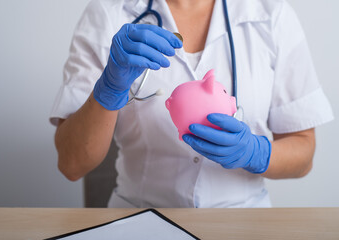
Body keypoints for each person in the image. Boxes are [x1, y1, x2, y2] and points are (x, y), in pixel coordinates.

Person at [50, 0, 333, 208]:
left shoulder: (271, 15)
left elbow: (304, 155)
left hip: (244, 222)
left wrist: (255, 153)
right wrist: (108, 89)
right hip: (139, 220)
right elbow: (72, 164)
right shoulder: (107, 14)